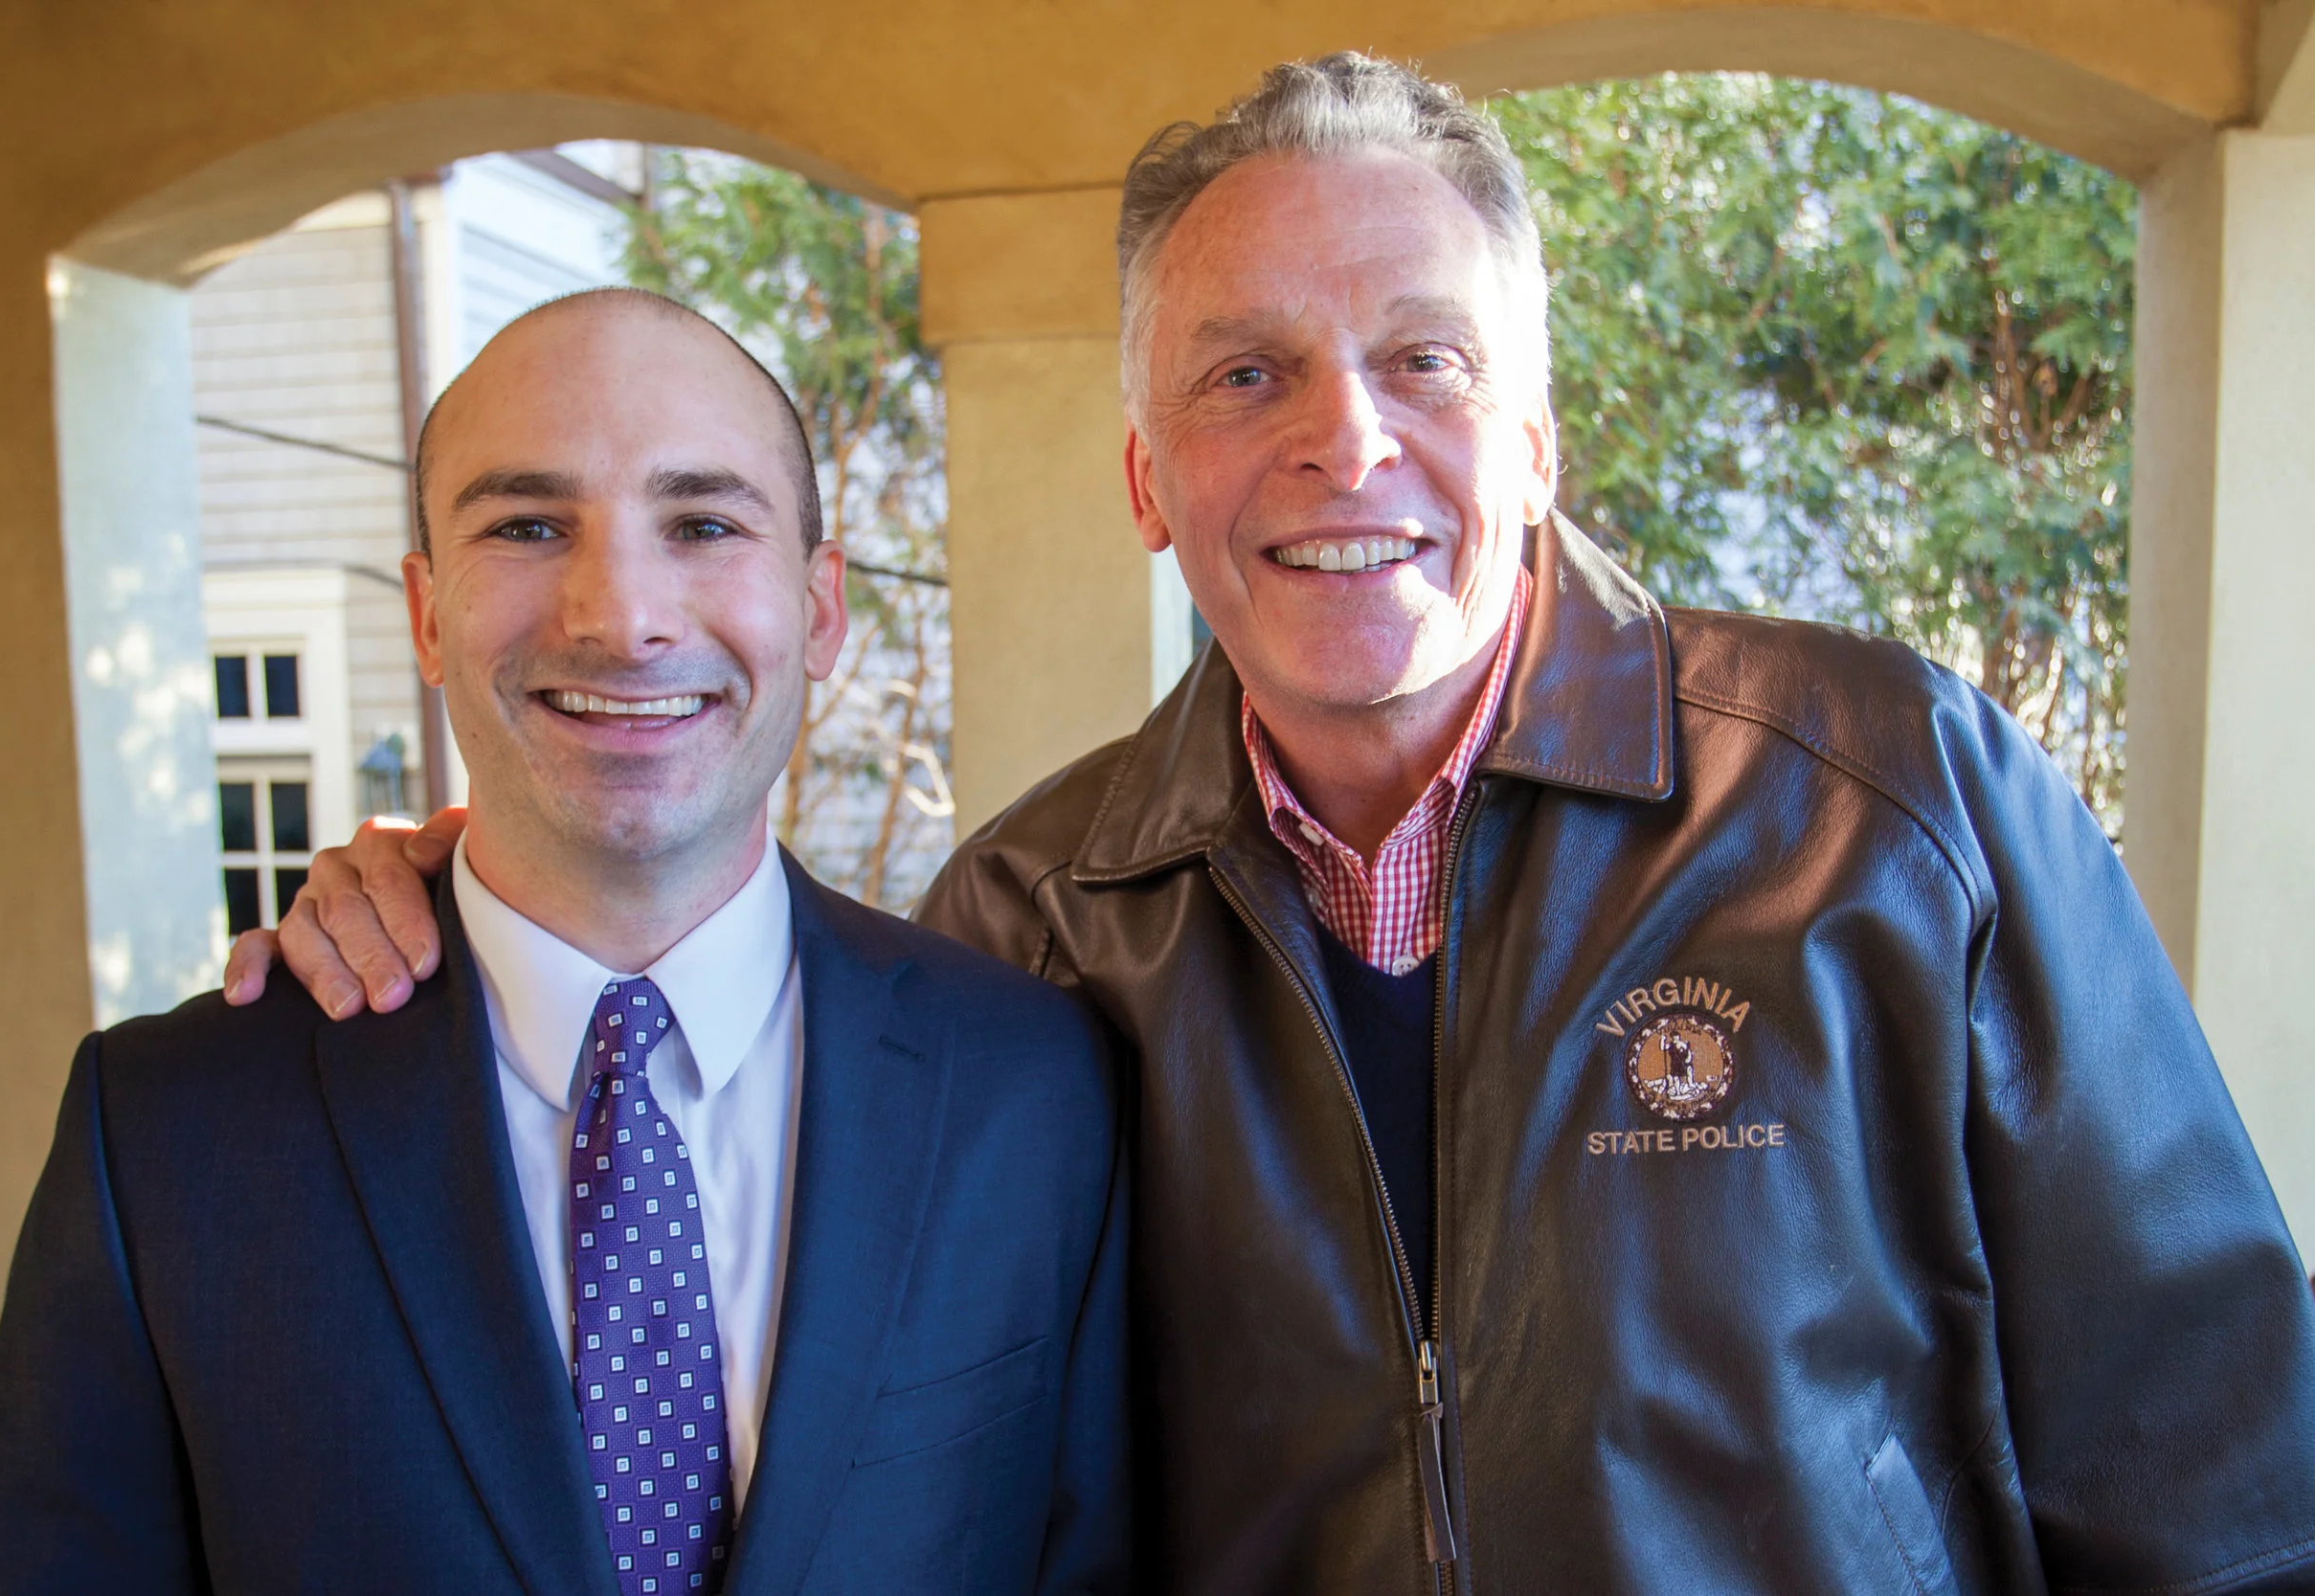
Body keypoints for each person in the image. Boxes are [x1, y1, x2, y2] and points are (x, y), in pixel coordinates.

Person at [228, 57, 2315, 1595]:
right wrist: (464, 902)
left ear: (1529, 438)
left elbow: (2216, 1485)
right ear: (1146, 475)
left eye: (1421, 357)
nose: (1344, 437)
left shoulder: (1889, 807)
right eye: (1243, 376)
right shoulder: (1027, 925)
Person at [0, 290, 1128, 1595]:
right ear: (424, 611)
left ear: (820, 610)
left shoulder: (1032, 1089)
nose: (619, 614)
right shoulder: (167, 1133)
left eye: (701, 523)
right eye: (528, 525)